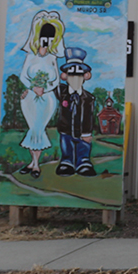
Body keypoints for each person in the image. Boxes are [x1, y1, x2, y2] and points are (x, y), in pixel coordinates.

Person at [17, 11, 65, 179]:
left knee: (39, 128)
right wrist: (33, 87)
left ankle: (34, 164)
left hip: (47, 97)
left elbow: (56, 79)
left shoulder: (53, 57)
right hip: (30, 97)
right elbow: (23, 75)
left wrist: (45, 88)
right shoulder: (30, 56)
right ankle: (34, 164)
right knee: (33, 128)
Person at [53, 47, 98, 177]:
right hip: (66, 131)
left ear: (86, 76)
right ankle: (67, 162)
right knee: (67, 147)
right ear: (64, 76)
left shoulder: (88, 98)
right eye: (71, 74)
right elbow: (49, 87)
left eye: (78, 74)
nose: (75, 78)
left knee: (83, 147)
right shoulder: (62, 92)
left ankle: (83, 162)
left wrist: (87, 132)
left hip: (83, 132)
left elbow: (89, 116)